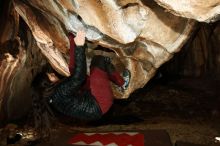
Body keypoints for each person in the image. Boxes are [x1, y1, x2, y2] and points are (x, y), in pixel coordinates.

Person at [47, 30, 130, 121]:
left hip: (89, 100)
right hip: (100, 103)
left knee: (73, 71)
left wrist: (73, 41)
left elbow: (75, 75)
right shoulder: (60, 91)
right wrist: (80, 46)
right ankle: (122, 83)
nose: (52, 74)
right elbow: (80, 76)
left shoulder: (54, 96)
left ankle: (73, 39)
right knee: (99, 61)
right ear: (47, 84)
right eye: (50, 76)